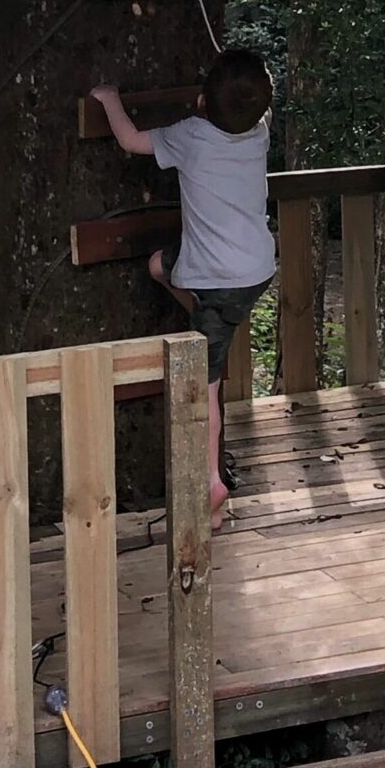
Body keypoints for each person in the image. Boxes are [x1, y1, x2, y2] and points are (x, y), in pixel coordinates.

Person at [89, 46, 275, 526]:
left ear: (201, 101)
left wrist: (109, 99)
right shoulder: (258, 134)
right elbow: (251, 105)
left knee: (206, 388)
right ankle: (204, 326)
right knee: (159, 266)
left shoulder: (190, 136)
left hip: (217, 282)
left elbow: (131, 141)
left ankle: (212, 484)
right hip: (254, 271)